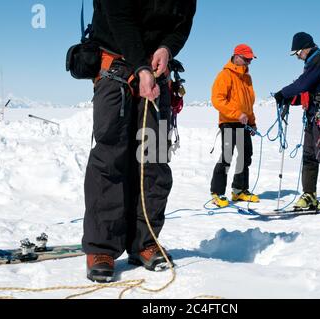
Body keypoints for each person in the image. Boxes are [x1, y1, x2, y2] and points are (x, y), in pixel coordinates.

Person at [83, 0, 196, 283]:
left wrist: (166, 48)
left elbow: (182, 25)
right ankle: (102, 248)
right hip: (116, 67)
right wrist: (141, 66)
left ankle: (145, 243)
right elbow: (119, 15)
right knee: (111, 158)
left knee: (154, 159)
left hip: (157, 78)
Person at [274, 32, 320, 211]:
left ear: (305, 47)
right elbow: (308, 91)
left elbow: (302, 84)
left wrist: (283, 92)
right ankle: (309, 195)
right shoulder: (312, 62)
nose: (296, 56)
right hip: (313, 115)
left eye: (296, 52)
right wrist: (290, 99)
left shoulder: (319, 60)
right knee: (309, 156)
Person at [210, 44, 260, 208]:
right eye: (247, 59)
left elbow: (248, 104)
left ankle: (239, 190)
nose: (249, 63)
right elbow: (218, 100)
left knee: (246, 156)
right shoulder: (225, 75)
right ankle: (217, 193)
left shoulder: (247, 77)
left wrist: (252, 122)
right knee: (227, 156)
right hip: (229, 122)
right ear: (236, 56)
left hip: (244, 124)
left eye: (251, 60)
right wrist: (236, 114)